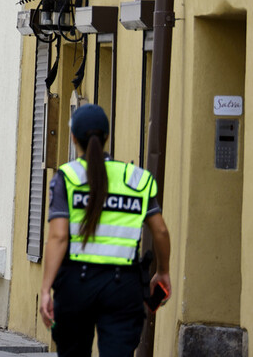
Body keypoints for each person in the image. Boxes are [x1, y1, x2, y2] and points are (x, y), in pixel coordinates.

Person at [39, 104, 172, 357]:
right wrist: (163, 272)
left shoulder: (67, 178)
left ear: (73, 138)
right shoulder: (137, 179)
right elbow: (161, 232)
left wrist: (46, 289)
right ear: (107, 137)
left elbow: (58, 237)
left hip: (76, 284)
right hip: (124, 287)